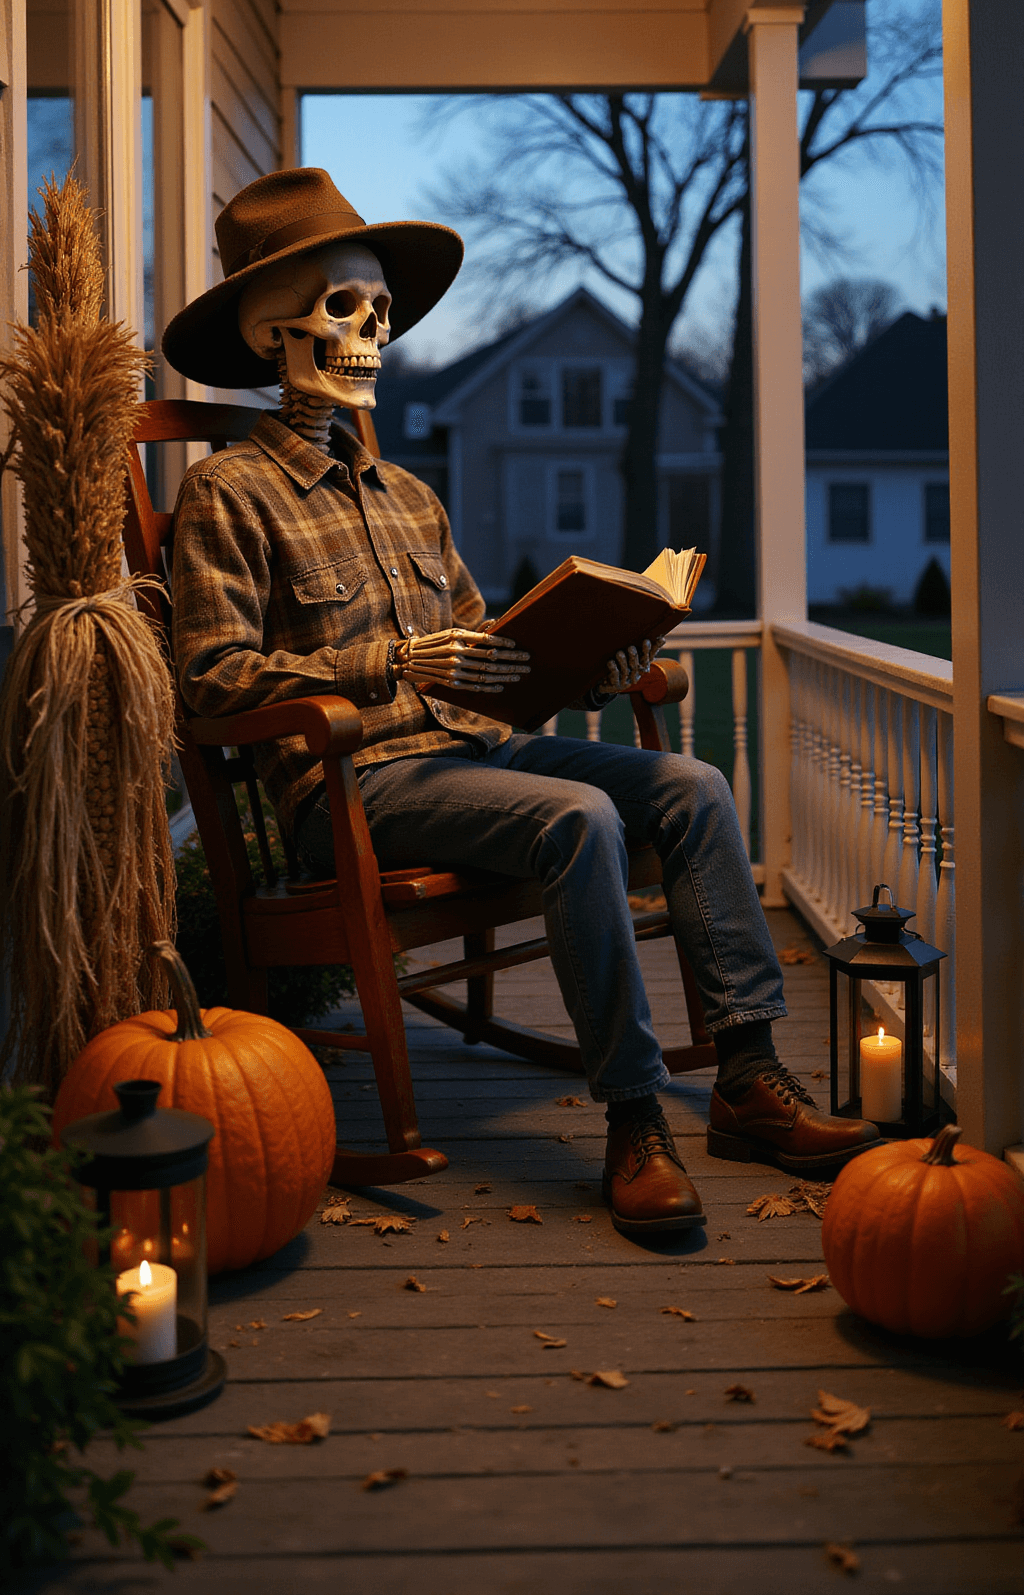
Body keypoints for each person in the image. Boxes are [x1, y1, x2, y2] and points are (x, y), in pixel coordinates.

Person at [165, 169, 879, 1237]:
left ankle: (746, 1076)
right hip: (353, 786)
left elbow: (494, 658)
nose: (374, 331)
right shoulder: (228, 493)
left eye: (382, 312)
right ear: (274, 335)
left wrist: (596, 656)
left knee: (690, 785)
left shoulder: (412, 495)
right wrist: (389, 667)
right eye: (344, 309)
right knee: (576, 818)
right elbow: (212, 681)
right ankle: (635, 1116)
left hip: (471, 757)